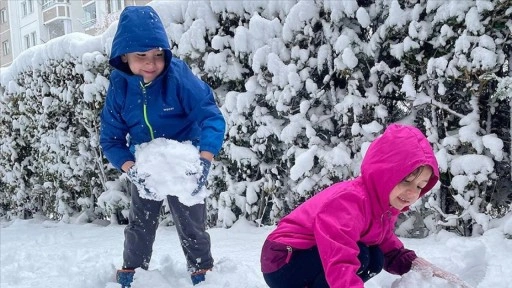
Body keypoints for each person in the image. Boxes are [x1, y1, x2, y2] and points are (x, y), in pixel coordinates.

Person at [99, 6, 225, 287]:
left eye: (157, 54)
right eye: (141, 56)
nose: (151, 63)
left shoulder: (177, 76)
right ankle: (132, 271)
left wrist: (204, 159)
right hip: (146, 165)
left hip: (183, 161)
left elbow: (210, 115)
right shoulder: (120, 86)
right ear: (124, 56)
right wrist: (131, 169)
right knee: (140, 224)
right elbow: (111, 138)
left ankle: (202, 271)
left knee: (192, 222)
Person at [260, 124, 470, 288]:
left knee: (375, 257)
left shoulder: (382, 207)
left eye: (420, 186)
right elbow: (339, 259)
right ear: (384, 176)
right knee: (361, 255)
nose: (413, 193)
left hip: (309, 257)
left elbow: (388, 248)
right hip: (283, 260)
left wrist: (425, 269)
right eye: (406, 181)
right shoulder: (348, 202)